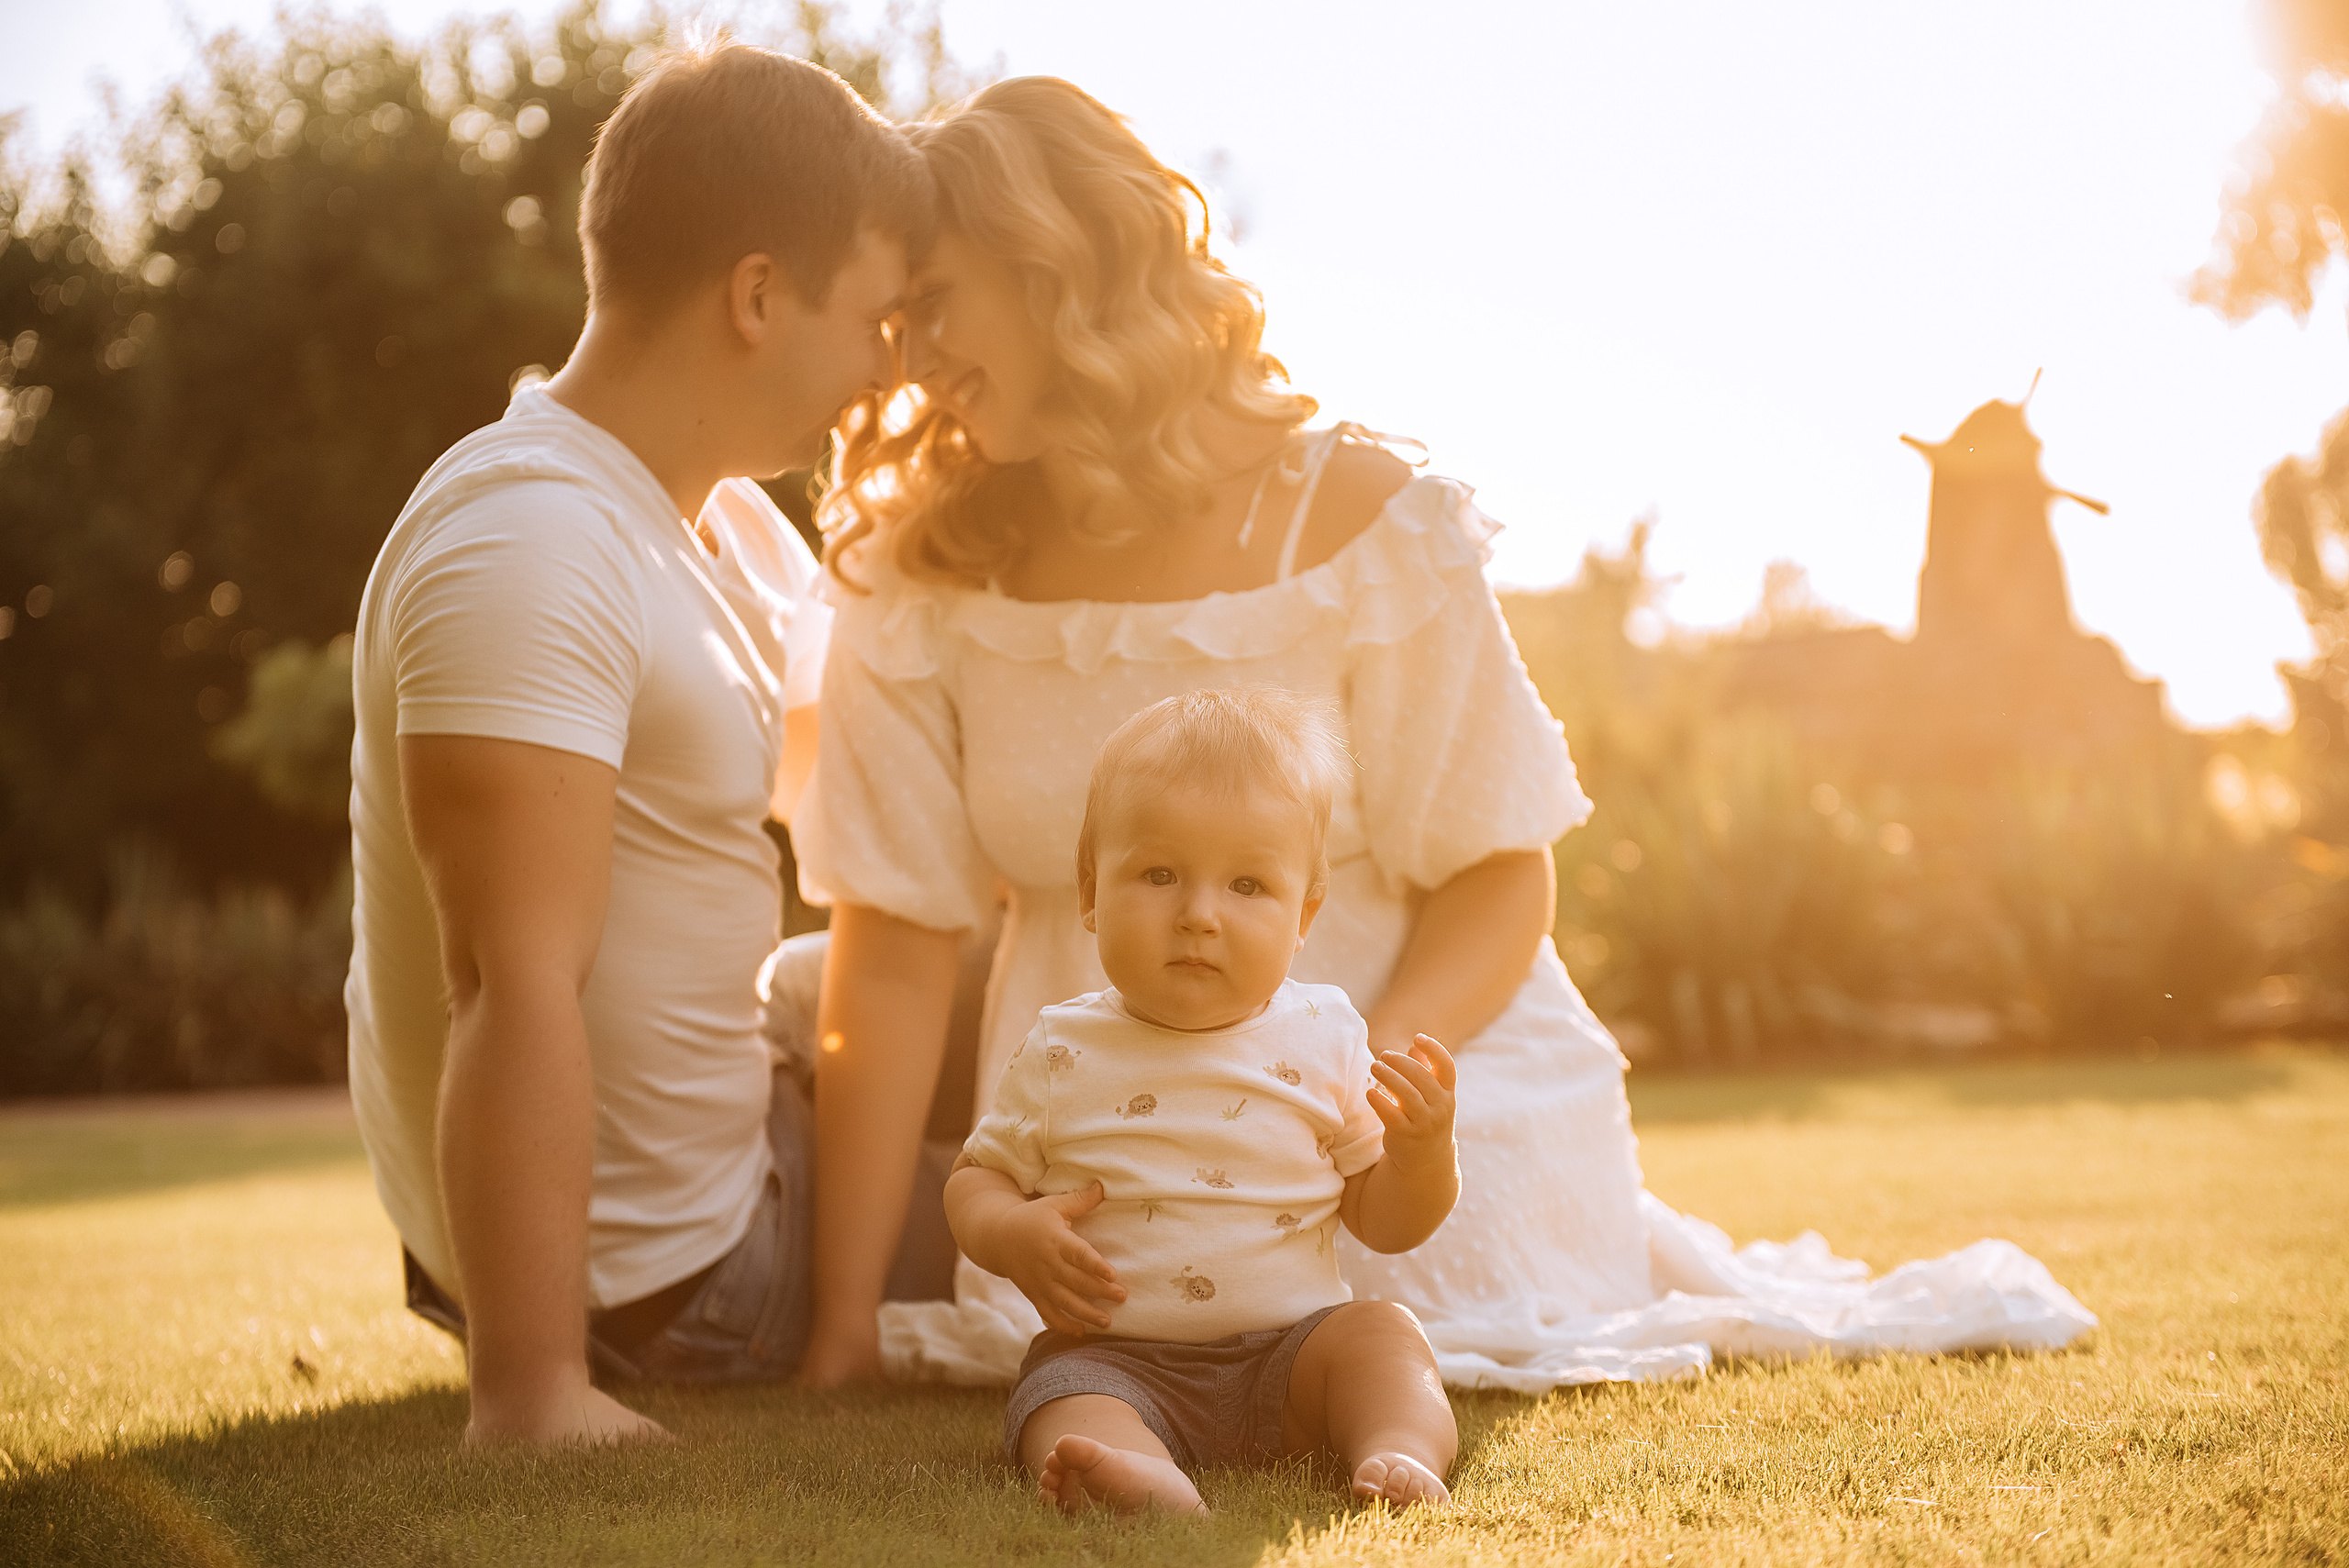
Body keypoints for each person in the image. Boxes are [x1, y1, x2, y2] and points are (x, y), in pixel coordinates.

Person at [786, 75, 2096, 1391]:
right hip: (1127, 1157)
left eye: (940, 302)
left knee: (1383, 1318)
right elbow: (891, 949)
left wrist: (1347, 1084)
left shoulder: (1365, 526)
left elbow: (1497, 869)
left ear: (1059, 261)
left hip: (1422, 1104)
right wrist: (842, 1328)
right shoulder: (920, 582)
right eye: (894, 324)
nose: (913, 358)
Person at [345, 42, 930, 1445]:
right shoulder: (532, 538)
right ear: (757, 293)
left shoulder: (714, 520)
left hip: (732, 1158)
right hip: (675, 1274)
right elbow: (509, 979)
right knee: (1159, 1206)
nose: (889, 368)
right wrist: (534, 1387)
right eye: (880, 320)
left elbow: (861, 811)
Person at [950, 689, 1459, 1515]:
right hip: (1118, 1358)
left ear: (1306, 913)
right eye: (1158, 874)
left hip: (1296, 1359)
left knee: (1384, 1336)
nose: (1198, 915)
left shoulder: (1326, 1035)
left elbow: (1387, 1222)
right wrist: (1009, 1229)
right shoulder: (1061, 1047)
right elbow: (974, 1181)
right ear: (1089, 887)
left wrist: (1422, 1153)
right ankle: (1141, 1471)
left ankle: (1396, 1448)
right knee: (1059, 1398)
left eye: (1248, 884)